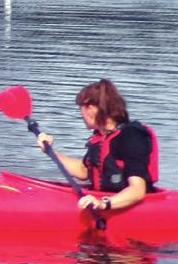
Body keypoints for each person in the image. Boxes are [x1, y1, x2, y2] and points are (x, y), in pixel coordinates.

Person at [37, 79, 159, 213]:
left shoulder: (132, 137)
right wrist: (50, 151)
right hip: (103, 199)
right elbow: (83, 171)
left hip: (126, 206)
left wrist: (103, 204)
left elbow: (137, 189)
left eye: (81, 108)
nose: (81, 114)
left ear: (91, 109)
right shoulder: (101, 136)